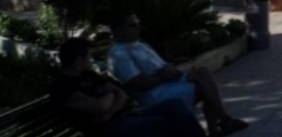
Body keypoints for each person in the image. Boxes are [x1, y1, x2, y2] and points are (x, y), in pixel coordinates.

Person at [107, 12, 248, 137]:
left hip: (168, 82)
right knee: (204, 86)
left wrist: (171, 71)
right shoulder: (119, 54)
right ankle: (221, 123)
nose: (138, 27)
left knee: (203, 73)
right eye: (132, 25)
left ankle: (220, 125)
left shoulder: (140, 45)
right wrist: (163, 76)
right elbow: (137, 83)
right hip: (154, 93)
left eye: (138, 23)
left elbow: (162, 66)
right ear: (118, 30)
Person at [52, 37, 207, 137]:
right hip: (107, 130)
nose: (91, 59)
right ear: (79, 60)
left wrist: (109, 109)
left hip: (121, 117)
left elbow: (122, 94)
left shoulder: (89, 75)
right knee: (163, 124)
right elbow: (100, 106)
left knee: (175, 106)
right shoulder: (62, 87)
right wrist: (110, 95)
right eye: (88, 56)